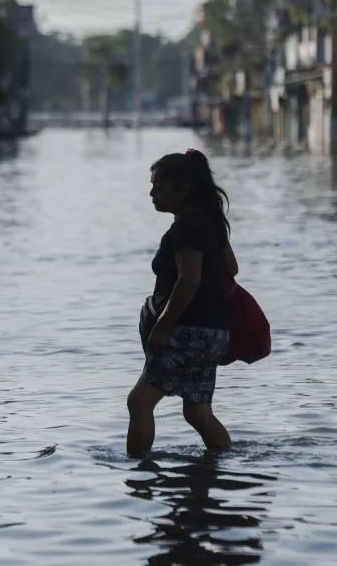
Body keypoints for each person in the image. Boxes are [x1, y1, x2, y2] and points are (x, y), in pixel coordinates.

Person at [128, 148, 239, 459]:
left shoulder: (189, 229)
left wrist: (163, 327)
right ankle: (223, 464)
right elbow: (231, 268)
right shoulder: (211, 223)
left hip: (186, 332)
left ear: (183, 190)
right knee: (197, 412)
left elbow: (188, 280)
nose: (152, 193)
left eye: (159, 186)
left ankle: (139, 476)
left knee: (139, 402)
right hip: (209, 332)